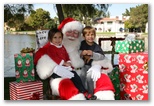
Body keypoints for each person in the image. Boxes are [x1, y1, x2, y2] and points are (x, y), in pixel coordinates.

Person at [34, 17, 115, 100]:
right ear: (63, 33)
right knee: (67, 87)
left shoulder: (83, 43)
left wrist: (97, 65)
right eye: (69, 32)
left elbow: (100, 55)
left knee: (102, 78)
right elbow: (41, 59)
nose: (72, 35)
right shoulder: (51, 46)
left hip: (84, 72)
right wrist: (54, 67)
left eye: (75, 32)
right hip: (63, 75)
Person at [34, 28, 96, 100]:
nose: (58, 40)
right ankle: (83, 91)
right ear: (50, 39)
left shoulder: (62, 46)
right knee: (73, 75)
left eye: (60, 37)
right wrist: (64, 63)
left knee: (74, 75)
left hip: (64, 67)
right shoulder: (51, 48)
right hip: (56, 70)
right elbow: (54, 58)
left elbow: (66, 56)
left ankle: (82, 91)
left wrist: (69, 62)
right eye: (55, 38)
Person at [79, 26, 106, 95]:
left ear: (94, 35)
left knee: (89, 76)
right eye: (88, 35)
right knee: (82, 74)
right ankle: (82, 91)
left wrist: (93, 54)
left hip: (93, 66)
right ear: (84, 36)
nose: (90, 37)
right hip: (84, 65)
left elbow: (102, 56)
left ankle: (91, 93)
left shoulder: (96, 46)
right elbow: (76, 53)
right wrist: (81, 53)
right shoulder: (81, 44)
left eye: (92, 34)